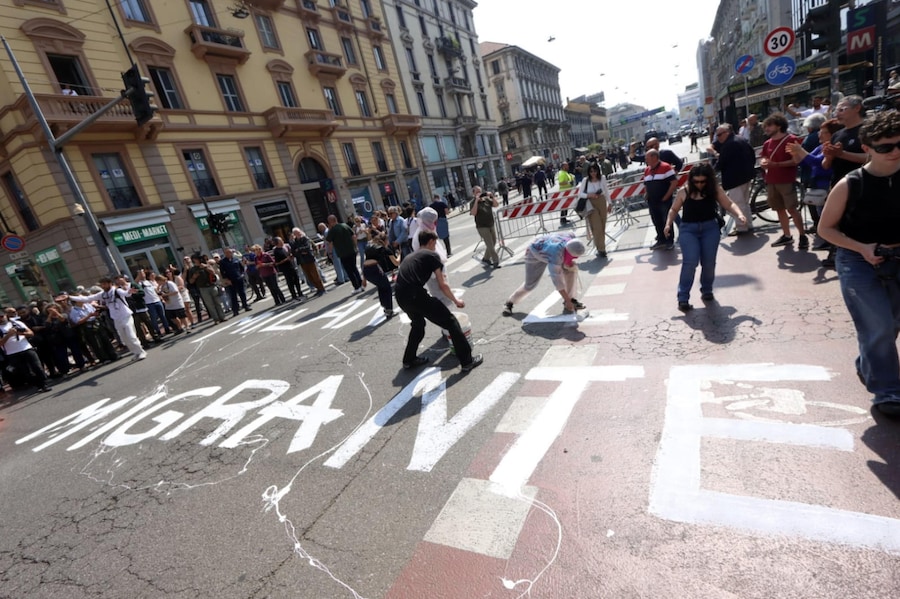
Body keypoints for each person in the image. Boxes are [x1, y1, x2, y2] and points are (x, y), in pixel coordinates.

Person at [816, 110, 900, 418]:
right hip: (857, 258)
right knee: (877, 324)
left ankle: (869, 363)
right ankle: (888, 392)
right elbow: (825, 230)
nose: (895, 151)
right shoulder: (850, 184)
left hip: (896, 256)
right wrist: (862, 248)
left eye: (899, 144)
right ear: (867, 148)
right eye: (885, 147)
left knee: (891, 324)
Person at [394, 230, 482, 372]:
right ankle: (467, 361)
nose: (435, 247)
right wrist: (456, 300)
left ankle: (409, 359)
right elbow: (442, 285)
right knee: (451, 322)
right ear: (430, 242)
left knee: (418, 325)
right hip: (415, 295)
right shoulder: (432, 255)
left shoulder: (410, 256)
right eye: (435, 244)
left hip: (400, 296)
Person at [664, 163, 747, 313]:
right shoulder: (684, 191)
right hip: (688, 230)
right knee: (690, 262)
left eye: (703, 181)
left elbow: (728, 204)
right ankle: (683, 298)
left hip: (710, 228)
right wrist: (668, 224)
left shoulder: (714, 189)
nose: (699, 184)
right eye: (696, 181)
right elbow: (674, 209)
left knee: (709, 263)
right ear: (691, 180)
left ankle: (707, 289)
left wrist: (739, 214)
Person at [787, 118, 844, 241]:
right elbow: (804, 162)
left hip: (827, 185)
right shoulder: (820, 147)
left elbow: (817, 162)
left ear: (832, 134)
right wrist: (795, 153)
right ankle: (829, 242)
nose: (819, 134)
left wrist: (800, 150)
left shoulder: (832, 147)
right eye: (820, 131)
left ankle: (834, 243)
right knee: (822, 215)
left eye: (823, 132)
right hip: (818, 185)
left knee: (829, 217)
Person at [502, 233, 586, 316]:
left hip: (548, 248)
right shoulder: (556, 256)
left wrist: (568, 300)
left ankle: (571, 300)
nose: (575, 259)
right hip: (534, 253)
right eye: (573, 257)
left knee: (570, 271)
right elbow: (558, 282)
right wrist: (566, 299)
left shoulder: (571, 238)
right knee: (530, 285)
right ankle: (509, 303)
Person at [69, 276, 146, 361]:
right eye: (102, 284)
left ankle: (141, 352)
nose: (103, 286)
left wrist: (129, 292)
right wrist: (70, 297)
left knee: (131, 336)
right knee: (124, 338)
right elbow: (87, 298)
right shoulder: (103, 294)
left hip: (125, 316)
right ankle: (135, 353)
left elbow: (126, 293)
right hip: (116, 319)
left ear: (110, 283)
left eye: (104, 284)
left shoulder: (117, 291)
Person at [759, 113, 806, 249]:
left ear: (779, 126)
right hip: (771, 180)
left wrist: (775, 165)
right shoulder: (767, 143)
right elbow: (764, 157)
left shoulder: (790, 140)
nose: (766, 128)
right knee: (779, 209)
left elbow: (796, 160)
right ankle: (787, 235)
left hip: (786, 180)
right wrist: (764, 162)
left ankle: (802, 236)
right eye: (766, 126)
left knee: (792, 208)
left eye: (769, 125)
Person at [710, 124, 757, 236]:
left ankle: (741, 227)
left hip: (735, 179)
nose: (718, 137)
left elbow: (720, 163)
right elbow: (752, 154)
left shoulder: (728, 145)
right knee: (745, 203)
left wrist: (710, 172)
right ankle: (748, 224)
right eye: (717, 135)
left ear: (727, 133)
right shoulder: (741, 139)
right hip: (746, 176)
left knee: (737, 204)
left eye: (719, 135)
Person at [0, 307, 51, 392]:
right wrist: (8, 335)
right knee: (26, 372)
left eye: (2, 316)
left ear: (6, 315)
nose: (1, 319)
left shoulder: (17, 323)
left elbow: (31, 333)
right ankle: (38, 385)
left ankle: (44, 384)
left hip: (26, 348)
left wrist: (20, 333)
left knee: (37, 367)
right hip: (12, 353)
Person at [643, 149, 679, 250]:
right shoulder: (647, 170)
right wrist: (647, 194)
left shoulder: (666, 167)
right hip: (652, 201)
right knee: (656, 221)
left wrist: (666, 196)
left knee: (666, 220)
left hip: (664, 201)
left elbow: (674, 183)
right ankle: (661, 240)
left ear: (654, 157)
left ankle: (669, 241)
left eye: (647, 158)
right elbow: (646, 184)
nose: (646, 160)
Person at [577, 162, 612, 258]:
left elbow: (606, 191)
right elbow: (580, 194)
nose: (593, 173)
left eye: (595, 171)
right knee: (597, 226)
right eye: (591, 171)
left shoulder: (602, 178)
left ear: (598, 171)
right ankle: (601, 249)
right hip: (590, 203)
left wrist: (610, 203)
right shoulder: (585, 180)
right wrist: (589, 195)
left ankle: (600, 246)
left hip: (601, 201)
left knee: (602, 225)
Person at [325, 214, 364, 293]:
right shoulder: (345, 226)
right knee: (354, 268)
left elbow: (330, 242)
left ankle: (356, 287)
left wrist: (330, 252)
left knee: (349, 271)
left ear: (330, 222)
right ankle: (361, 284)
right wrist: (355, 246)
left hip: (343, 253)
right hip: (351, 250)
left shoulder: (332, 230)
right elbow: (353, 236)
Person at [362, 233, 397, 320]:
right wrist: (400, 254)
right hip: (375, 269)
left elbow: (365, 261)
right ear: (385, 241)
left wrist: (364, 279)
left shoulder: (369, 246)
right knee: (387, 288)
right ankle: (388, 309)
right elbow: (396, 263)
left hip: (366, 271)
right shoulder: (384, 249)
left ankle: (385, 306)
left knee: (381, 286)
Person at [187, 254, 227, 323]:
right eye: (195, 259)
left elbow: (213, 272)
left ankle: (222, 316)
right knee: (210, 304)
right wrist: (194, 277)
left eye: (198, 258)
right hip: (203, 288)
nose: (197, 260)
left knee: (217, 302)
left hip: (212, 285)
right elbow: (190, 281)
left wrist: (206, 267)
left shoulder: (206, 265)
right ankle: (216, 319)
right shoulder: (193, 269)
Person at [470, 186, 501, 268]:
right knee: (490, 245)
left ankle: (486, 258)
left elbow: (496, 205)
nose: (479, 193)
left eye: (480, 191)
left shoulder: (486, 199)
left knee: (493, 242)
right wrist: (476, 201)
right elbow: (473, 213)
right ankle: (496, 261)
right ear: (473, 193)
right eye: (477, 192)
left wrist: (492, 197)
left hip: (491, 224)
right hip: (482, 226)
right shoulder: (473, 202)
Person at [290, 228, 326, 297]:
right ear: (294, 234)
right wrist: (301, 251)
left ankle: (322, 289)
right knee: (309, 277)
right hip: (302, 261)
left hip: (309, 259)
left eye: (299, 232)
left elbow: (307, 248)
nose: (298, 234)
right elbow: (293, 252)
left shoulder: (305, 239)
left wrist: (299, 250)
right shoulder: (294, 242)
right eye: (296, 233)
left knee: (315, 275)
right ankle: (318, 289)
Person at [219, 247, 252, 316]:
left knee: (242, 293)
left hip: (239, 278)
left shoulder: (236, 259)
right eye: (227, 253)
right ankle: (235, 310)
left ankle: (245, 306)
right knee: (233, 296)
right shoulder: (223, 262)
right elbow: (222, 273)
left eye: (230, 252)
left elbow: (241, 268)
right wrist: (227, 280)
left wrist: (242, 275)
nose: (229, 254)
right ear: (225, 254)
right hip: (230, 281)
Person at [271, 237, 304, 301]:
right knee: (290, 282)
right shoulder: (276, 251)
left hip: (291, 265)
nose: (282, 241)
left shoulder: (283, 248)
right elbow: (277, 262)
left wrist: (290, 256)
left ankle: (300, 293)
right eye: (281, 240)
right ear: (277, 243)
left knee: (296, 280)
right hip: (285, 268)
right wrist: (286, 259)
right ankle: (294, 295)